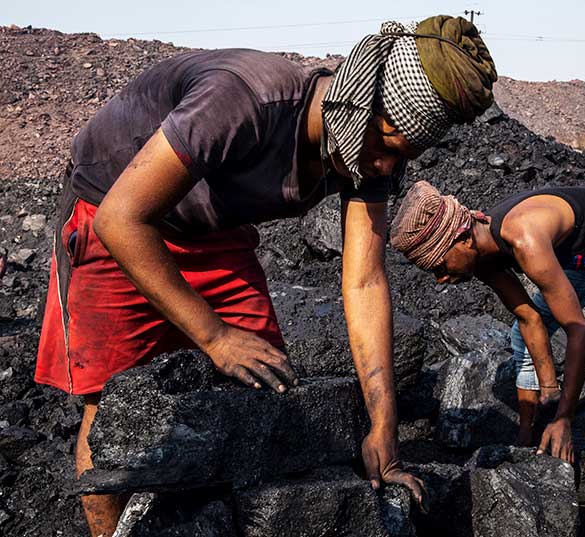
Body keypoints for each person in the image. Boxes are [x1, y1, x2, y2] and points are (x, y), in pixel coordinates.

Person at [34, 17, 496, 535]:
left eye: (402, 157)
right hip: (113, 213)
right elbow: (124, 218)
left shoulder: (367, 160)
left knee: (268, 393)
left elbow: (364, 281)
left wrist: (383, 424)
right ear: (359, 101)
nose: (389, 168)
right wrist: (214, 336)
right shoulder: (245, 100)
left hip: (213, 232)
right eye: (386, 147)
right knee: (113, 407)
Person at [390, 181, 585, 463]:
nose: (441, 278)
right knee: (520, 335)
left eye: (440, 265)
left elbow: (578, 330)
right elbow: (528, 316)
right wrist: (550, 391)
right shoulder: (484, 257)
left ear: (463, 238)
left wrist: (564, 418)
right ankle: (526, 443)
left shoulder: (524, 237)